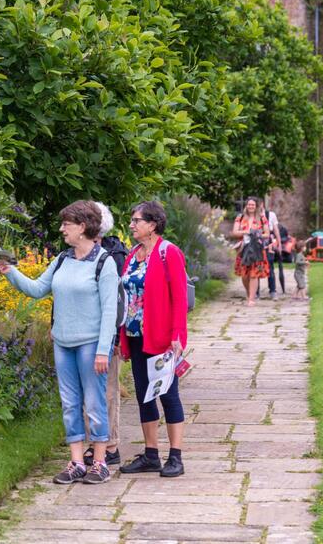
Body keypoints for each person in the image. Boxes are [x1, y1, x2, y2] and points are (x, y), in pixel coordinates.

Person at [0, 200, 118, 485]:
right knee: (70, 403)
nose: (62, 229)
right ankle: (76, 463)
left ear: (83, 227)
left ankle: (100, 463)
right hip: (63, 343)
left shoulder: (104, 262)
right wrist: (9, 271)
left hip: (91, 345)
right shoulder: (62, 259)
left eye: (67, 224)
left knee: (94, 403)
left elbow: (110, 311)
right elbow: (38, 289)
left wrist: (103, 350)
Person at [118, 201, 187, 478]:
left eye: (136, 220)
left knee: (168, 394)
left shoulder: (168, 252)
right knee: (143, 394)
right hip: (136, 336)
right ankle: (151, 455)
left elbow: (180, 298)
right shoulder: (132, 254)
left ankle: (176, 457)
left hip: (161, 337)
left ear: (152, 224)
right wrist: (122, 337)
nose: (132, 225)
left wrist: (177, 336)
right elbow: (126, 297)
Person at [83, 202, 128, 467]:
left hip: (108, 333)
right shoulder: (76, 253)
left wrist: (118, 338)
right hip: (82, 332)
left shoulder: (114, 255)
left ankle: (110, 445)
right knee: (87, 391)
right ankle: (94, 443)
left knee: (108, 389)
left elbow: (120, 302)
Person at [232, 197, 270, 306]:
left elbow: (267, 233)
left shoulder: (262, 218)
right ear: (246, 205)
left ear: (256, 206)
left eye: (253, 205)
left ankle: (252, 299)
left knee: (254, 274)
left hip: (256, 249)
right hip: (243, 249)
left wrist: (256, 234)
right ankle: (249, 294)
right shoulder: (240, 217)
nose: (251, 206)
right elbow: (235, 232)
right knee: (244, 275)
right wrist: (246, 232)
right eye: (249, 204)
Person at [259, 202, 285, 299]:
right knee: (256, 266)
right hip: (256, 242)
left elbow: (276, 230)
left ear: (262, 204)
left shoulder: (271, 215)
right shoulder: (253, 215)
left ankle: (273, 290)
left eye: (258, 204)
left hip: (268, 242)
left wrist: (279, 244)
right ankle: (256, 292)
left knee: (270, 266)